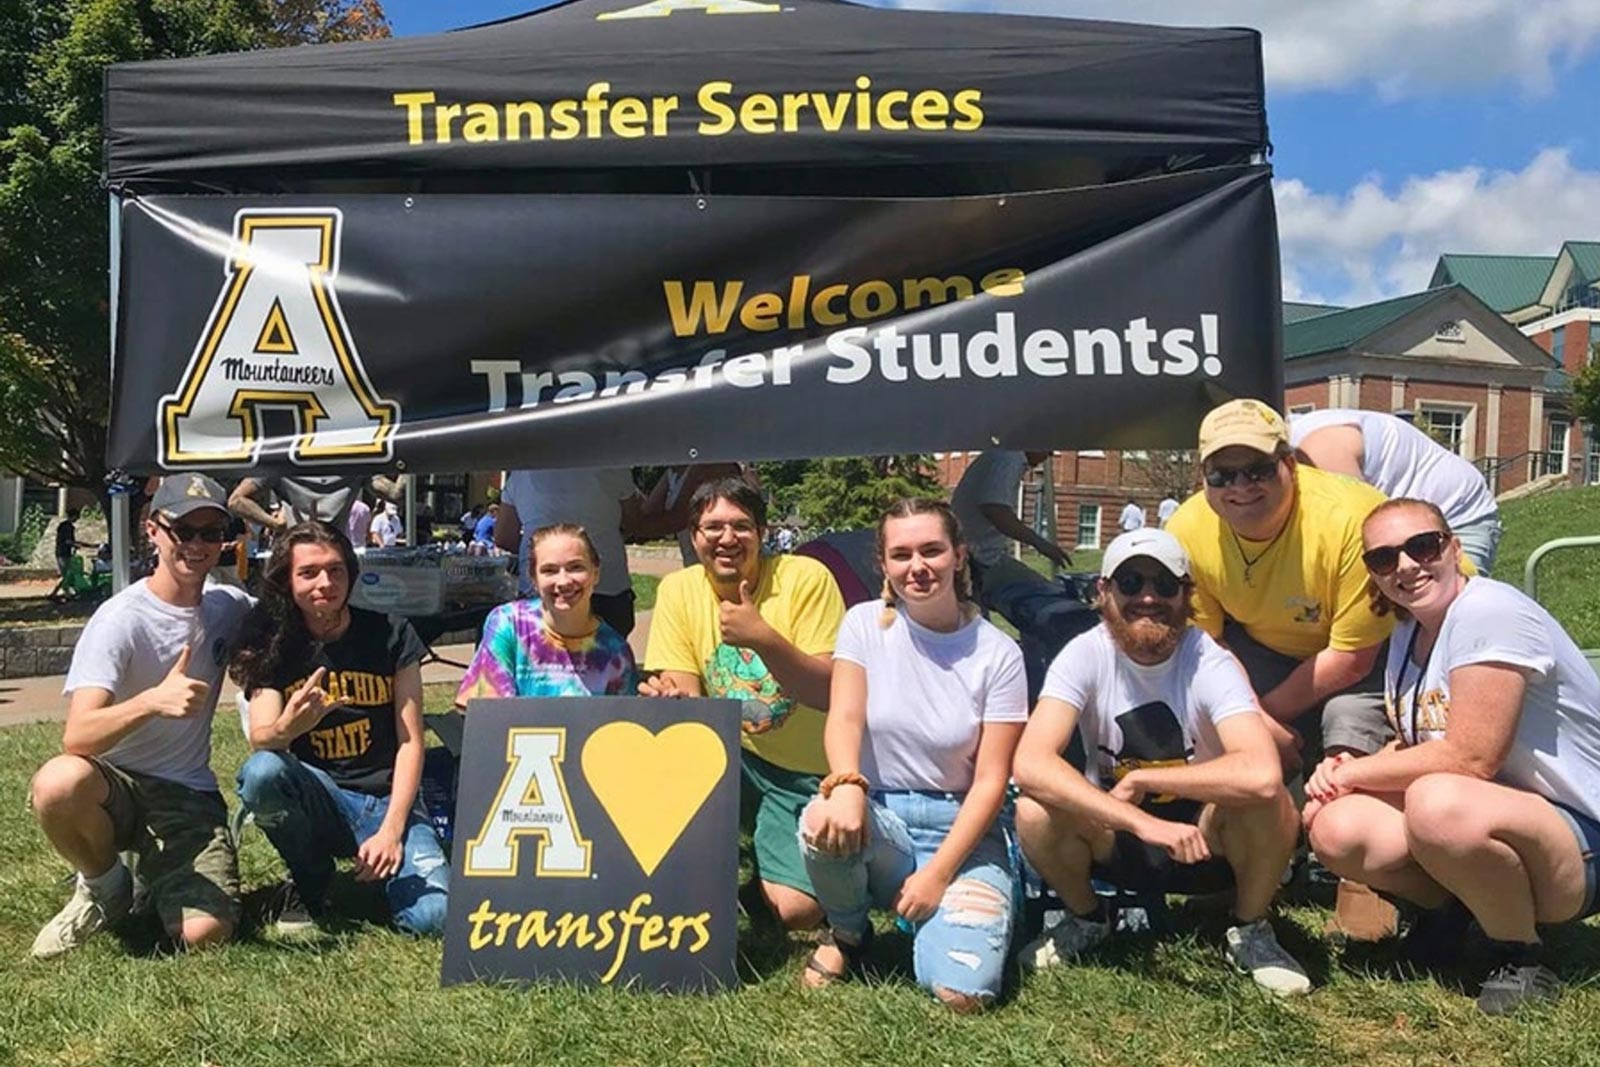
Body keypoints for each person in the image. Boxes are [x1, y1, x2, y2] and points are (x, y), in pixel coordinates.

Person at [1304, 498, 1600, 1015]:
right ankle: (1454, 916)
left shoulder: (1489, 611)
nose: (1405, 566)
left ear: (1454, 548)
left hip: (1582, 834)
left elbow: (1471, 757)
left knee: (1437, 802)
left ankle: (1517, 954)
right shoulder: (1408, 631)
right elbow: (1419, 741)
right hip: (1502, 818)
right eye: (1384, 558)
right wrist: (1340, 776)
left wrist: (1356, 771)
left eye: (1422, 546)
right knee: (1336, 825)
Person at [1012, 528, 1309, 994]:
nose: (1148, 597)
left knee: (1269, 803)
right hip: (1115, 832)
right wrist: (1140, 821)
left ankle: (1249, 928)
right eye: (1131, 583)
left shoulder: (1208, 659)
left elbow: (1262, 771)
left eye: (1165, 584)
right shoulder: (1085, 653)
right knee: (1034, 809)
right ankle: (1087, 917)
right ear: (1103, 592)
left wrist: (1147, 781)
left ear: (1187, 595)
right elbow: (1030, 763)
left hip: (1206, 837)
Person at [799, 498, 1026, 1011]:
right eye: (901, 554)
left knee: (962, 994)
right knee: (821, 819)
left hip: (963, 832)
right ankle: (850, 933)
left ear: (959, 555)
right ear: (883, 563)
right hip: (883, 820)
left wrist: (939, 875)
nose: (917, 567)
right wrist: (847, 783)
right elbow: (845, 717)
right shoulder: (862, 625)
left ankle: (946, 922)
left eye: (932, 551)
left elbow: (992, 781)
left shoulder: (999, 654)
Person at [28, 473, 252, 959]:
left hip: (186, 793)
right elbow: (78, 735)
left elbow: (292, 618)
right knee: (58, 783)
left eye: (211, 533)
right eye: (183, 530)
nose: (197, 545)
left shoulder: (229, 606)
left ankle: (155, 873)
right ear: (153, 530)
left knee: (204, 936)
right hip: (115, 786)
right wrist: (152, 701)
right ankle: (104, 886)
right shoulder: (120, 619)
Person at [641, 478, 846, 930]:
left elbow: (827, 692)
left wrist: (762, 638)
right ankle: (671, 890)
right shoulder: (678, 590)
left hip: (803, 771)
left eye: (741, 526)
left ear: (762, 532)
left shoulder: (806, 578)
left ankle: (768, 875)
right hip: (728, 760)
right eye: (713, 527)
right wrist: (674, 701)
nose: (727, 538)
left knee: (797, 912)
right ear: (694, 536)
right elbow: (689, 697)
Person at [230, 521, 449, 937]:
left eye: (336, 570)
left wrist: (392, 830)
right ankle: (311, 878)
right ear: (287, 580)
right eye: (308, 573)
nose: (325, 583)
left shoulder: (390, 632)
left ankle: (386, 868)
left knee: (434, 918)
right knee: (262, 773)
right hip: (321, 796)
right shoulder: (271, 640)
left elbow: (410, 742)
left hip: (387, 798)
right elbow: (262, 737)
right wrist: (289, 726)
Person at [1164, 399, 1393, 768]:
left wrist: (1257, 723)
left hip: (1378, 653)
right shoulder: (1186, 529)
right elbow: (1207, 644)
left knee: (1346, 747)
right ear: (1203, 478)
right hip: (1267, 650)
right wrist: (1255, 724)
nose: (1241, 486)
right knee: (1209, 731)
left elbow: (1352, 660)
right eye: (1222, 475)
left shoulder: (1354, 520)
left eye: (1258, 470)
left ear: (1290, 465)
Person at [1291, 408, 1502, 573]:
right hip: (1400, 521)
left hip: (1455, 512)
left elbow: (1355, 531)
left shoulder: (1319, 450)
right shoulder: (1296, 438)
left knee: (1447, 607)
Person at [456, 523, 637, 703]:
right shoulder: (509, 624)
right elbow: (486, 712)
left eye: (576, 567)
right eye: (549, 570)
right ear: (534, 579)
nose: (563, 581)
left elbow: (620, 720)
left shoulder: (616, 652)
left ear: (595, 574)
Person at [497, 468, 644, 637]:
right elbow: (637, 523)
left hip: (542, 591)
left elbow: (504, 536)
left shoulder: (522, 472)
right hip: (606, 588)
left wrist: (544, 554)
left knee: (537, 651)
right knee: (608, 651)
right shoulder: (612, 466)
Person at [950, 451, 1070, 602]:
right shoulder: (1009, 459)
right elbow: (995, 509)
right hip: (978, 558)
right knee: (1044, 597)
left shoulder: (1002, 456)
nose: (1050, 454)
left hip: (977, 555)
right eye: (1048, 447)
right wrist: (1039, 543)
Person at [227, 473, 404, 535]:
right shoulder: (355, 458)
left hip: (301, 545)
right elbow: (396, 494)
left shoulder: (283, 456)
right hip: (329, 547)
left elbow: (236, 501)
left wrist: (275, 524)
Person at [54, 507, 94, 579]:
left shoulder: (67, 526)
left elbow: (71, 541)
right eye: (77, 517)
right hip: (63, 552)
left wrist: (82, 544)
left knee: (67, 572)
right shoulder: (67, 527)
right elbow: (68, 541)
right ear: (74, 516)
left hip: (65, 552)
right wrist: (76, 545)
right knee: (65, 573)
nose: (77, 519)